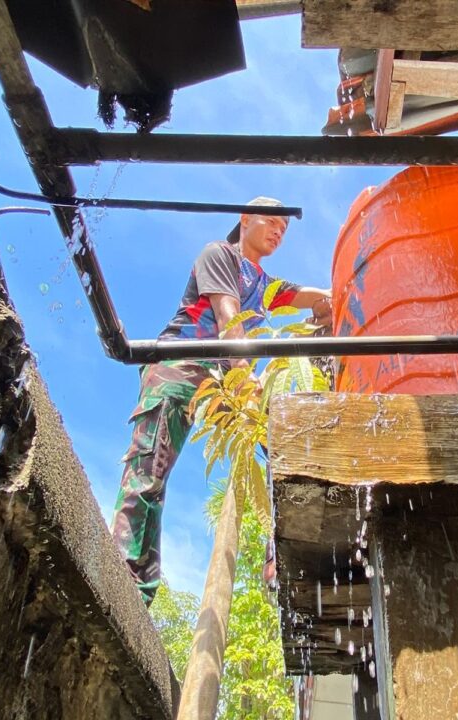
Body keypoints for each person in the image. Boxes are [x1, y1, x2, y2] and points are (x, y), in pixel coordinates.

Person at [111, 197, 332, 605]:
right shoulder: (219, 255)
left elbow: (309, 295)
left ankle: (279, 557)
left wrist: (333, 302)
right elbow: (229, 318)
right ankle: (126, 578)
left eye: (285, 230)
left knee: (281, 441)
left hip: (224, 377)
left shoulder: (265, 285)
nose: (279, 232)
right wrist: (247, 379)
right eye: (272, 222)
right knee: (151, 465)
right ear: (245, 219)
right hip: (182, 363)